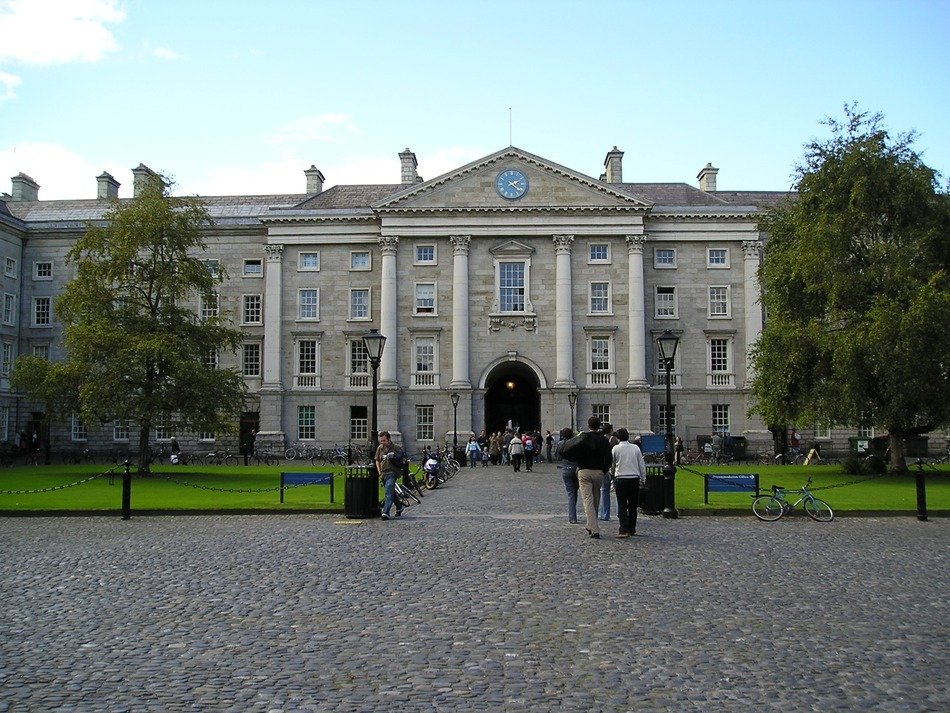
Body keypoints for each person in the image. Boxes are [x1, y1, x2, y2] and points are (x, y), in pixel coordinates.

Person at [575, 416, 612, 539]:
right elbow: (609, 459)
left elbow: (576, 454)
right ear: (599, 425)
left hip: (584, 471)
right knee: (596, 499)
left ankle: (595, 529)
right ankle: (590, 525)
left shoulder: (583, 438)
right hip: (598, 473)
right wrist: (604, 470)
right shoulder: (604, 440)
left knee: (588, 501)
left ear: (588, 425)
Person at [611, 428, 647, 538]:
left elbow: (612, 465)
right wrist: (643, 479)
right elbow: (641, 464)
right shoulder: (635, 448)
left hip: (621, 478)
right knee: (632, 505)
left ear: (618, 438)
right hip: (634, 478)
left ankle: (623, 529)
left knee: (622, 504)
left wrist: (612, 476)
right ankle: (632, 528)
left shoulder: (615, 449)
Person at [374, 431, 403, 520]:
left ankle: (385, 512)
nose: (382, 442)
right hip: (383, 473)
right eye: (381, 441)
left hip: (392, 472)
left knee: (388, 492)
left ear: (389, 439)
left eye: (384, 440)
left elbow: (402, 457)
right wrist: (379, 473)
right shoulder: (380, 448)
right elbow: (377, 460)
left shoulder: (396, 448)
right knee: (390, 491)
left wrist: (394, 456)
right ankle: (399, 507)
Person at [556, 426, 579, 524]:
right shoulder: (576, 443)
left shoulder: (561, 443)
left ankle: (572, 517)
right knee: (575, 492)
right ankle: (573, 515)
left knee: (570, 493)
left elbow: (557, 457)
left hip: (566, 468)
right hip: (576, 468)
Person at [598, 423, 617, 521]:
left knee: (603, 491)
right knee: (609, 491)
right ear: (610, 431)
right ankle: (610, 514)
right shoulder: (614, 440)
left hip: (602, 467)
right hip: (611, 467)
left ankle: (603, 514)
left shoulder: (600, 440)